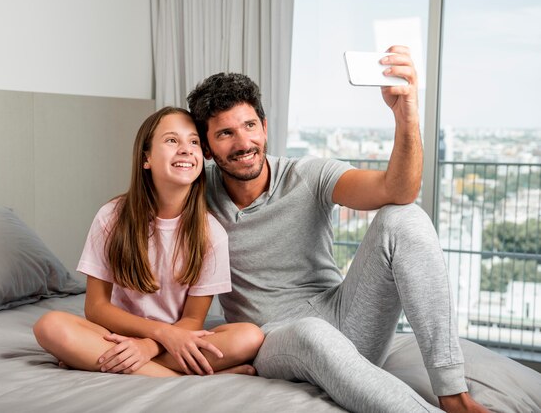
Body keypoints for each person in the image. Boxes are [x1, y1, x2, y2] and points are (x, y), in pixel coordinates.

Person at [186, 46, 489, 412]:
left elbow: (399, 190)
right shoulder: (195, 193)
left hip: (345, 317)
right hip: (274, 338)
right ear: (205, 147)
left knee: (403, 216)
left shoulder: (308, 175)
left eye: (250, 126)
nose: (243, 143)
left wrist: (405, 114)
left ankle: (453, 394)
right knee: (310, 332)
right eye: (225, 134)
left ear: (264, 128)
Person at [33, 106, 264, 377]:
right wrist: (150, 337)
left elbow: (192, 319)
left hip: (176, 339)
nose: (186, 149)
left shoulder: (210, 233)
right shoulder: (112, 216)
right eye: (171, 140)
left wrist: (149, 347)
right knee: (50, 326)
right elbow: (96, 307)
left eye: (193, 142)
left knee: (249, 336)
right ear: (146, 158)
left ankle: (99, 361)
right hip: (117, 336)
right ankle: (176, 379)